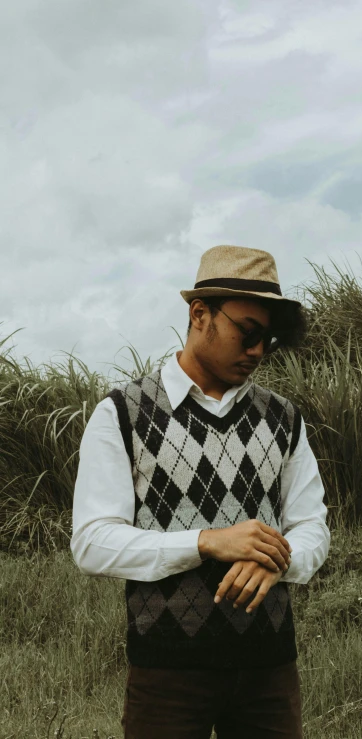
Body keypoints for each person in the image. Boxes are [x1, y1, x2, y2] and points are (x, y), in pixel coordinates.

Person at [71, 244, 330, 738]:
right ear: (199, 315)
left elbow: (311, 526)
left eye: (267, 340)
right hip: (167, 674)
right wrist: (206, 541)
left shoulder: (284, 419)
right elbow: (91, 540)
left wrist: (277, 557)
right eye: (247, 333)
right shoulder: (122, 414)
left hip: (269, 671)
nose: (256, 351)